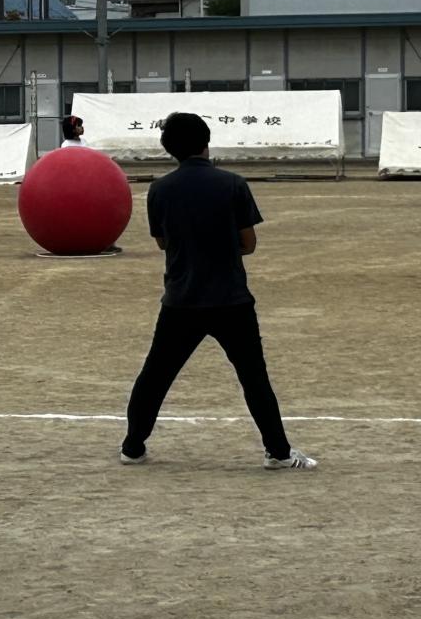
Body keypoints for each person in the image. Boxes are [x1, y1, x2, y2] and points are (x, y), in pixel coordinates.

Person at [119, 112, 316, 471]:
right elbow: (249, 243)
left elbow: (164, 242)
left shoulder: (160, 189)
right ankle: (279, 452)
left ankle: (132, 447)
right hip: (231, 300)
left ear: (169, 149)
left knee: (155, 377)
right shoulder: (233, 184)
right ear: (206, 141)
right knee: (254, 379)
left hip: (181, 299)